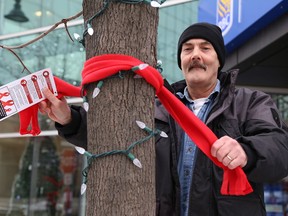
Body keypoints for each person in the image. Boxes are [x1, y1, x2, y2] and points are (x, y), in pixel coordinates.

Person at [39, 22, 288, 216]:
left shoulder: (250, 102)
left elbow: (280, 148)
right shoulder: (156, 107)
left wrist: (247, 151)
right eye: (187, 49)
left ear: (219, 60)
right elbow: (110, 136)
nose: (195, 55)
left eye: (205, 48)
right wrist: (68, 119)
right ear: (180, 61)